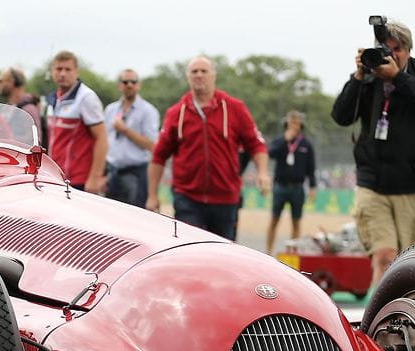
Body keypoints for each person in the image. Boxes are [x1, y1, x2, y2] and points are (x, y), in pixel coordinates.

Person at [331, 19, 415, 287]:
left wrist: (399, 78)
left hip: (412, 182)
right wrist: (358, 77)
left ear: (407, 50)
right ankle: (377, 326)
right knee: (384, 256)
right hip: (373, 181)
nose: (390, 55)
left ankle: (408, 319)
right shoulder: (368, 76)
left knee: (411, 264)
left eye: (397, 49)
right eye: (386, 48)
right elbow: (341, 115)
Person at [148, 55, 270, 239]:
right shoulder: (175, 113)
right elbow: (159, 156)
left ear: (213, 75)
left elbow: (256, 144)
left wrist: (262, 172)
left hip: (226, 197)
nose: (199, 75)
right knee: (190, 250)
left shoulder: (235, 108)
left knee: (222, 254)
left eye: (204, 71)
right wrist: (152, 195)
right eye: (194, 72)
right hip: (187, 197)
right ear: (188, 77)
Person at [45, 51, 108, 193]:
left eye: (67, 69)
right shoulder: (52, 99)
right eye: (58, 69)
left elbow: (102, 138)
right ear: (52, 71)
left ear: (76, 72)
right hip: (56, 178)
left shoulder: (86, 98)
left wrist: (94, 178)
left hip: (79, 180)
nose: (62, 74)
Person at [103, 69, 159, 207]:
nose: (129, 85)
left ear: (139, 85)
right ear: (120, 85)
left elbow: (152, 145)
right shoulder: (111, 110)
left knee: (134, 219)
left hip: (136, 174)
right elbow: (104, 141)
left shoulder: (148, 111)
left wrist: (126, 131)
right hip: (112, 172)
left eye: (133, 82)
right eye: (125, 82)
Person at [266, 110, 318, 254]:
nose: (294, 125)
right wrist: (285, 140)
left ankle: (292, 252)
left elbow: (311, 168)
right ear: (286, 123)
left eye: (297, 122)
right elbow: (270, 153)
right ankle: (268, 251)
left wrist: (313, 186)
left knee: (296, 221)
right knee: (274, 220)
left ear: (301, 124)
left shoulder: (306, 144)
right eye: (291, 122)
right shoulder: (279, 140)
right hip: (280, 187)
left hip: (297, 188)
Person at [0, 67, 42, 143]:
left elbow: (36, 142)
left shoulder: (28, 109)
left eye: (0, 81)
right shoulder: (7, 108)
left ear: (11, 82)